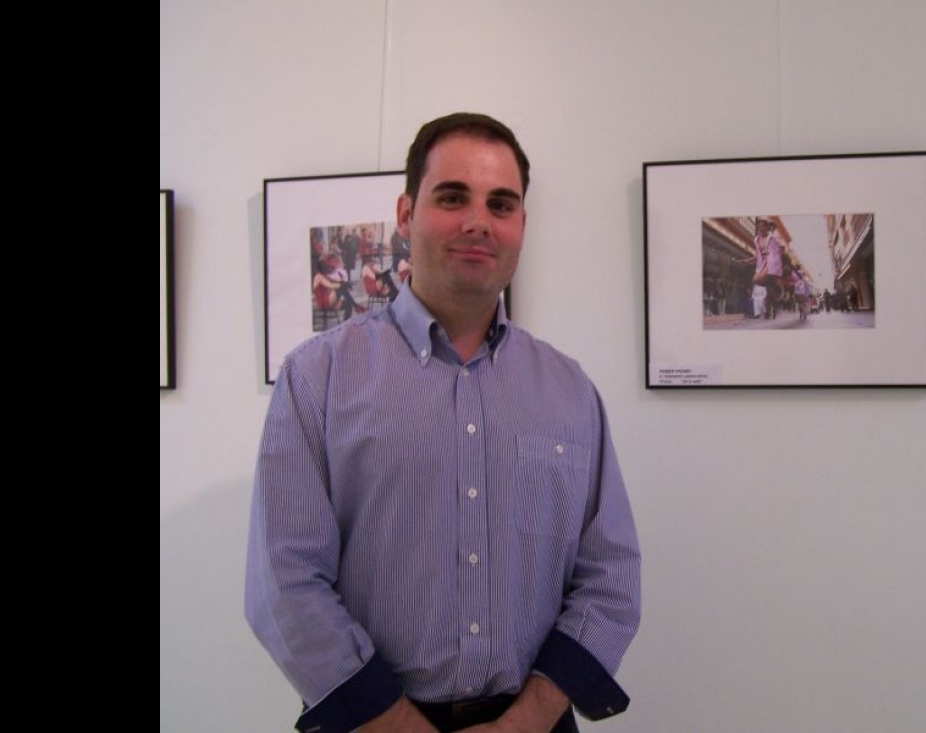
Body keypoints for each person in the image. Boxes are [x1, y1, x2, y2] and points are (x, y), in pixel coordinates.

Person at [246, 112, 642, 733]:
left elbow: (611, 579)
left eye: (501, 203)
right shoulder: (316, 378)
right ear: (406, 214)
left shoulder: (571, 391)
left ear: (522, 225)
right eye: (452, 197)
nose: (478, 221)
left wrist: (524, 722)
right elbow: (286, 583)